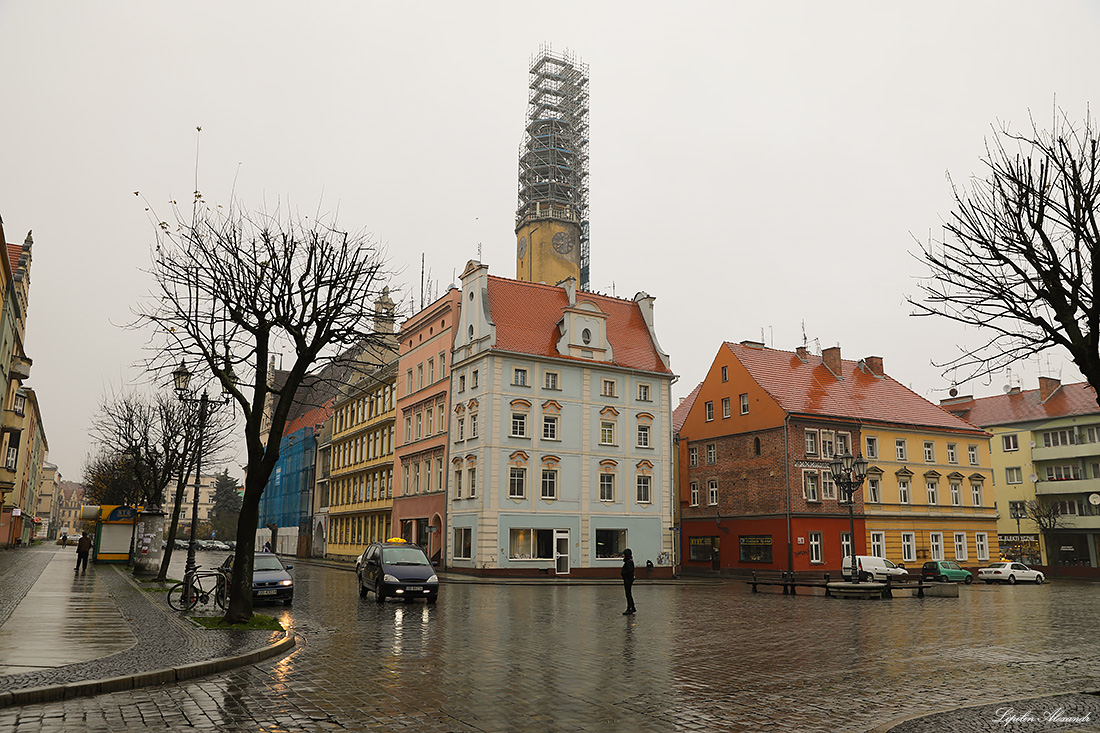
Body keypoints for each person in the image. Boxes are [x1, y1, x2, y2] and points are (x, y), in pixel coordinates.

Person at [621, 548, 636, 615]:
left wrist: (623, 573)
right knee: (628, 594)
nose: (623, 555)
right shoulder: (628, 561)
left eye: (624, 554)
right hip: (628, 580)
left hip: (628, 580)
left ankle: (629, 608)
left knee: (628, 595)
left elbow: (630, 571)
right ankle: (632, 607)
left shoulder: (628, 562)